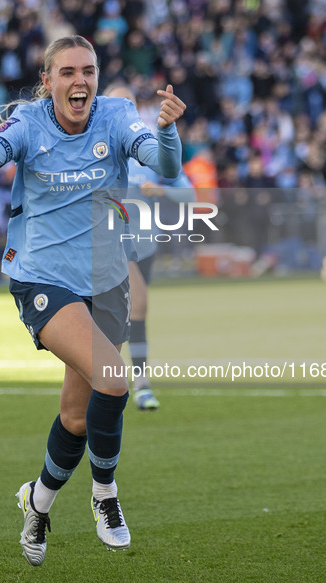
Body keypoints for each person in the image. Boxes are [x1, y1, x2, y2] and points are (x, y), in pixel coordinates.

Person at [0, 35, 185, 566]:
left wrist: (167, 131)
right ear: (48, 81)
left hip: (103, 281)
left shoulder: (119, 114)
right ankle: (105, 495)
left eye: (88, 71)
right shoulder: (29, 123)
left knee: (76, 417)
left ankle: (36, 502)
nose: (79, 81)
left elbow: (165, 165)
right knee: (113, 378)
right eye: (67, 72)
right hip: (42, 279)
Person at [106, 85, 195, 410]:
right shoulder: (93, 145)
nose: (121, 108)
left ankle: (126, 380)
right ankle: (136, 384)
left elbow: (190, 195)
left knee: (128, 316)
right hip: (111, 241)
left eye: (127, 103)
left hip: (146, 243)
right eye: (114, 102)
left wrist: (161, 192)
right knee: (137, 304)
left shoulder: (150, 145)